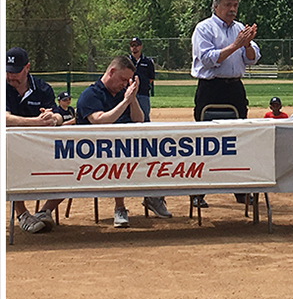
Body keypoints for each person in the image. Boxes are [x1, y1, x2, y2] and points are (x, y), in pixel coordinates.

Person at [77, 56, 172, 227]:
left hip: (128, 147)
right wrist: (125, 101)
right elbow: (100, 121)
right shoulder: (90, 94)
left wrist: (132, 97)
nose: (123, 84)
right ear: (111, 72)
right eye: (122, 79)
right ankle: (119, 208)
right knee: (118, 157)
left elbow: (139, 120)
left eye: (127, 81)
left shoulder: (123, 93)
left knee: (158, 150)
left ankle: (153, 196)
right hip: (95, 153)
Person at [190, 0, 260, 208]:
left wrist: (247, 44)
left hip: (235, 89)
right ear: (216, 6)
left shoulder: (240, 28)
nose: (232, 9)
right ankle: (199, 192)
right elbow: (208, 59)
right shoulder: (204, 28)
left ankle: (239, 190)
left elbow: (252, 59)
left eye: (235, 5)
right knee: (205, 141)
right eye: (228, 5)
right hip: (211, 88)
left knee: (239, 139)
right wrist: (235, 45)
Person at [6, 47, 64, 234]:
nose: (10, 76)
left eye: (15, 72)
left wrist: (53, 118)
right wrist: (35, 122)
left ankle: (45, 211)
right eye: (7, 71)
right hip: (9, 148)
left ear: (27, 67)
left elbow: (58, 115)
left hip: (40, 148)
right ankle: (22, 214)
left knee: (69, 167)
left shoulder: (42, 88)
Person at [128, 37, 155, 122]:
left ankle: (147, 135)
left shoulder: (147, 61)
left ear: (141, 46)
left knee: (145, 116)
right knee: (129, 116)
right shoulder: (126, 61)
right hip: (129, 93)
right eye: (132, 45)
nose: (134, 47)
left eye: (136, 45)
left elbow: (151, 78)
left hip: (143, 93)